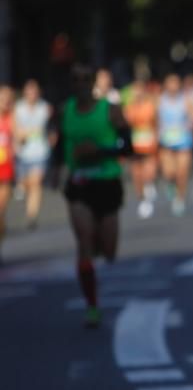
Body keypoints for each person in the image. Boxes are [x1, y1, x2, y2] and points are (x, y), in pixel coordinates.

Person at [51, 65, 133, 327]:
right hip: (79, 184)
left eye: (86, 79)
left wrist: (101, 150)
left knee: (108, 252)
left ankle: (98, 244)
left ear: (94, 83)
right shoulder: (65, 111)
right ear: (71, 84)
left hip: (107, 183)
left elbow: (126, 146)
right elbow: (60, 146)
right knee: (84, 244)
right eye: (76, 80)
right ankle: (92, 305)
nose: (81, 84)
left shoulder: (110, 110)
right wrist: (56, 171)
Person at [13, 80, 53, 230]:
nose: (32, 95)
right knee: (26, 183)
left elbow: (50, 128)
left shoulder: (45, 108)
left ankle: (32, 215)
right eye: (29, 92)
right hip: (23, 153)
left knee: (36, 183)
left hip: (40, 152)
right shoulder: (18, 108)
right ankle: (23, 191)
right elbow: (15, 129)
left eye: (35, 92)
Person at [157, 74, 193, 216]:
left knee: (182, 172)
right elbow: (155, 119)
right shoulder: (160, 101)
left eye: (175, 83)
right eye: (170, 83)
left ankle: (180, 199)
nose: (173, 86)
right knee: (169, 172)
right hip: (166, 141)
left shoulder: (185, 100)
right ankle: (171, 185)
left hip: (184, 140)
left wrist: (191, 122)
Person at [123, 78, 158, 218]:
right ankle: (142, 200)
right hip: (135, 146)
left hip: (148, 144)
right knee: (137, 175)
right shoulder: (128, 108)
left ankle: (149, 185)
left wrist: (156, 138)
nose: (137, 94)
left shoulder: (150, 106)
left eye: (139, 91)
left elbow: (156, 123)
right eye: (134, 91)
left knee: (148, 172)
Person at [0, 86, 15, 262]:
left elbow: (18, 138)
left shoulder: (12, 118)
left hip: (5, 170)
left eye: (7, 98)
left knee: (0, 211)